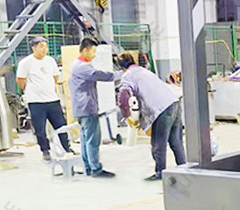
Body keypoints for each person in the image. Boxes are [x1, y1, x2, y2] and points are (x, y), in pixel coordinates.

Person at [116, 53, 185, 181]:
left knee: (158, 144)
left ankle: (160, 173)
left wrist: (127, 116)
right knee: (176, 141)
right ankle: (184, 168)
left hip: (161, 108)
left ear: (121, 68)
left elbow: (123, 95)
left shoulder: (128, 75)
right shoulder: (144, 71)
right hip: (174, 103)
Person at [16, 36, 74, 161]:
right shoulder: (26, 62)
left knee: (61, 126)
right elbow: (20, 80)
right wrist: (30, 90)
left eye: (45, 46)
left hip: (52, 100)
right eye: (41, 46)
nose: (44, 49)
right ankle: (45, 150)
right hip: (36, 102)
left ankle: (67, 148)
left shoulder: (50, 61)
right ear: (34, 48)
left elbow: (55, 77)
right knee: (40, 129)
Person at [69, 38, 119, 178]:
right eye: (93, 51)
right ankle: (96, 169)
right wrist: (120, 74)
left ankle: (88, 167)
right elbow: (101, 75)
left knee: (85, 139)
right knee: (93, 140)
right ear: (85, 50)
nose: (94, 55)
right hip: (87, 108)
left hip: (80, 108)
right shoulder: (82, 67)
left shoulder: (76, 64)